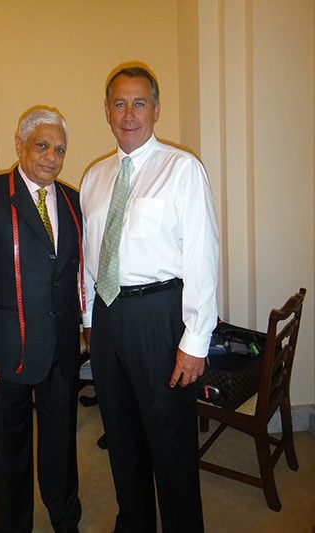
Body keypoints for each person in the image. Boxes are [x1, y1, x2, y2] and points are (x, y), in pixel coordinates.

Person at [80, 65, 219, 532]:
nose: (129, 114)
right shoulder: (94, 176)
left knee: (170, 440)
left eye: (139, 103)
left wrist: (195, 340)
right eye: (119, 104)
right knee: (120, 436)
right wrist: (89, 319)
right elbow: (89, 257)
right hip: (107, 318)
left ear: (156, 109)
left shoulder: (182, 169)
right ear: (106, 111)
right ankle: (134, 522)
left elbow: (202, 257)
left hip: (160, 316)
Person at [0, 107, 82, 533]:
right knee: (8, 450)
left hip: (61, 348)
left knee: (61, 444)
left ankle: (66, 518)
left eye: (59, 150)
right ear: (20, 144)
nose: (51, 157)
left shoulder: (72, 200)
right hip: (5, 349)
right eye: (42, 145)